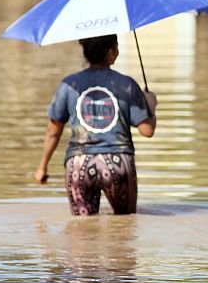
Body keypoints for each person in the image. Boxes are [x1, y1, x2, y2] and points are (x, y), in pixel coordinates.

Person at [34, 34, 157, 215]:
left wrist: (42, 166)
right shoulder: (127, 84)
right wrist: (151, 106)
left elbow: (53, 130)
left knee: (82, 234)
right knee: (125, 228)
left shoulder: (69, 84)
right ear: (111, 52)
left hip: (78, 163)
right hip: (118, 164)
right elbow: (147, 130)